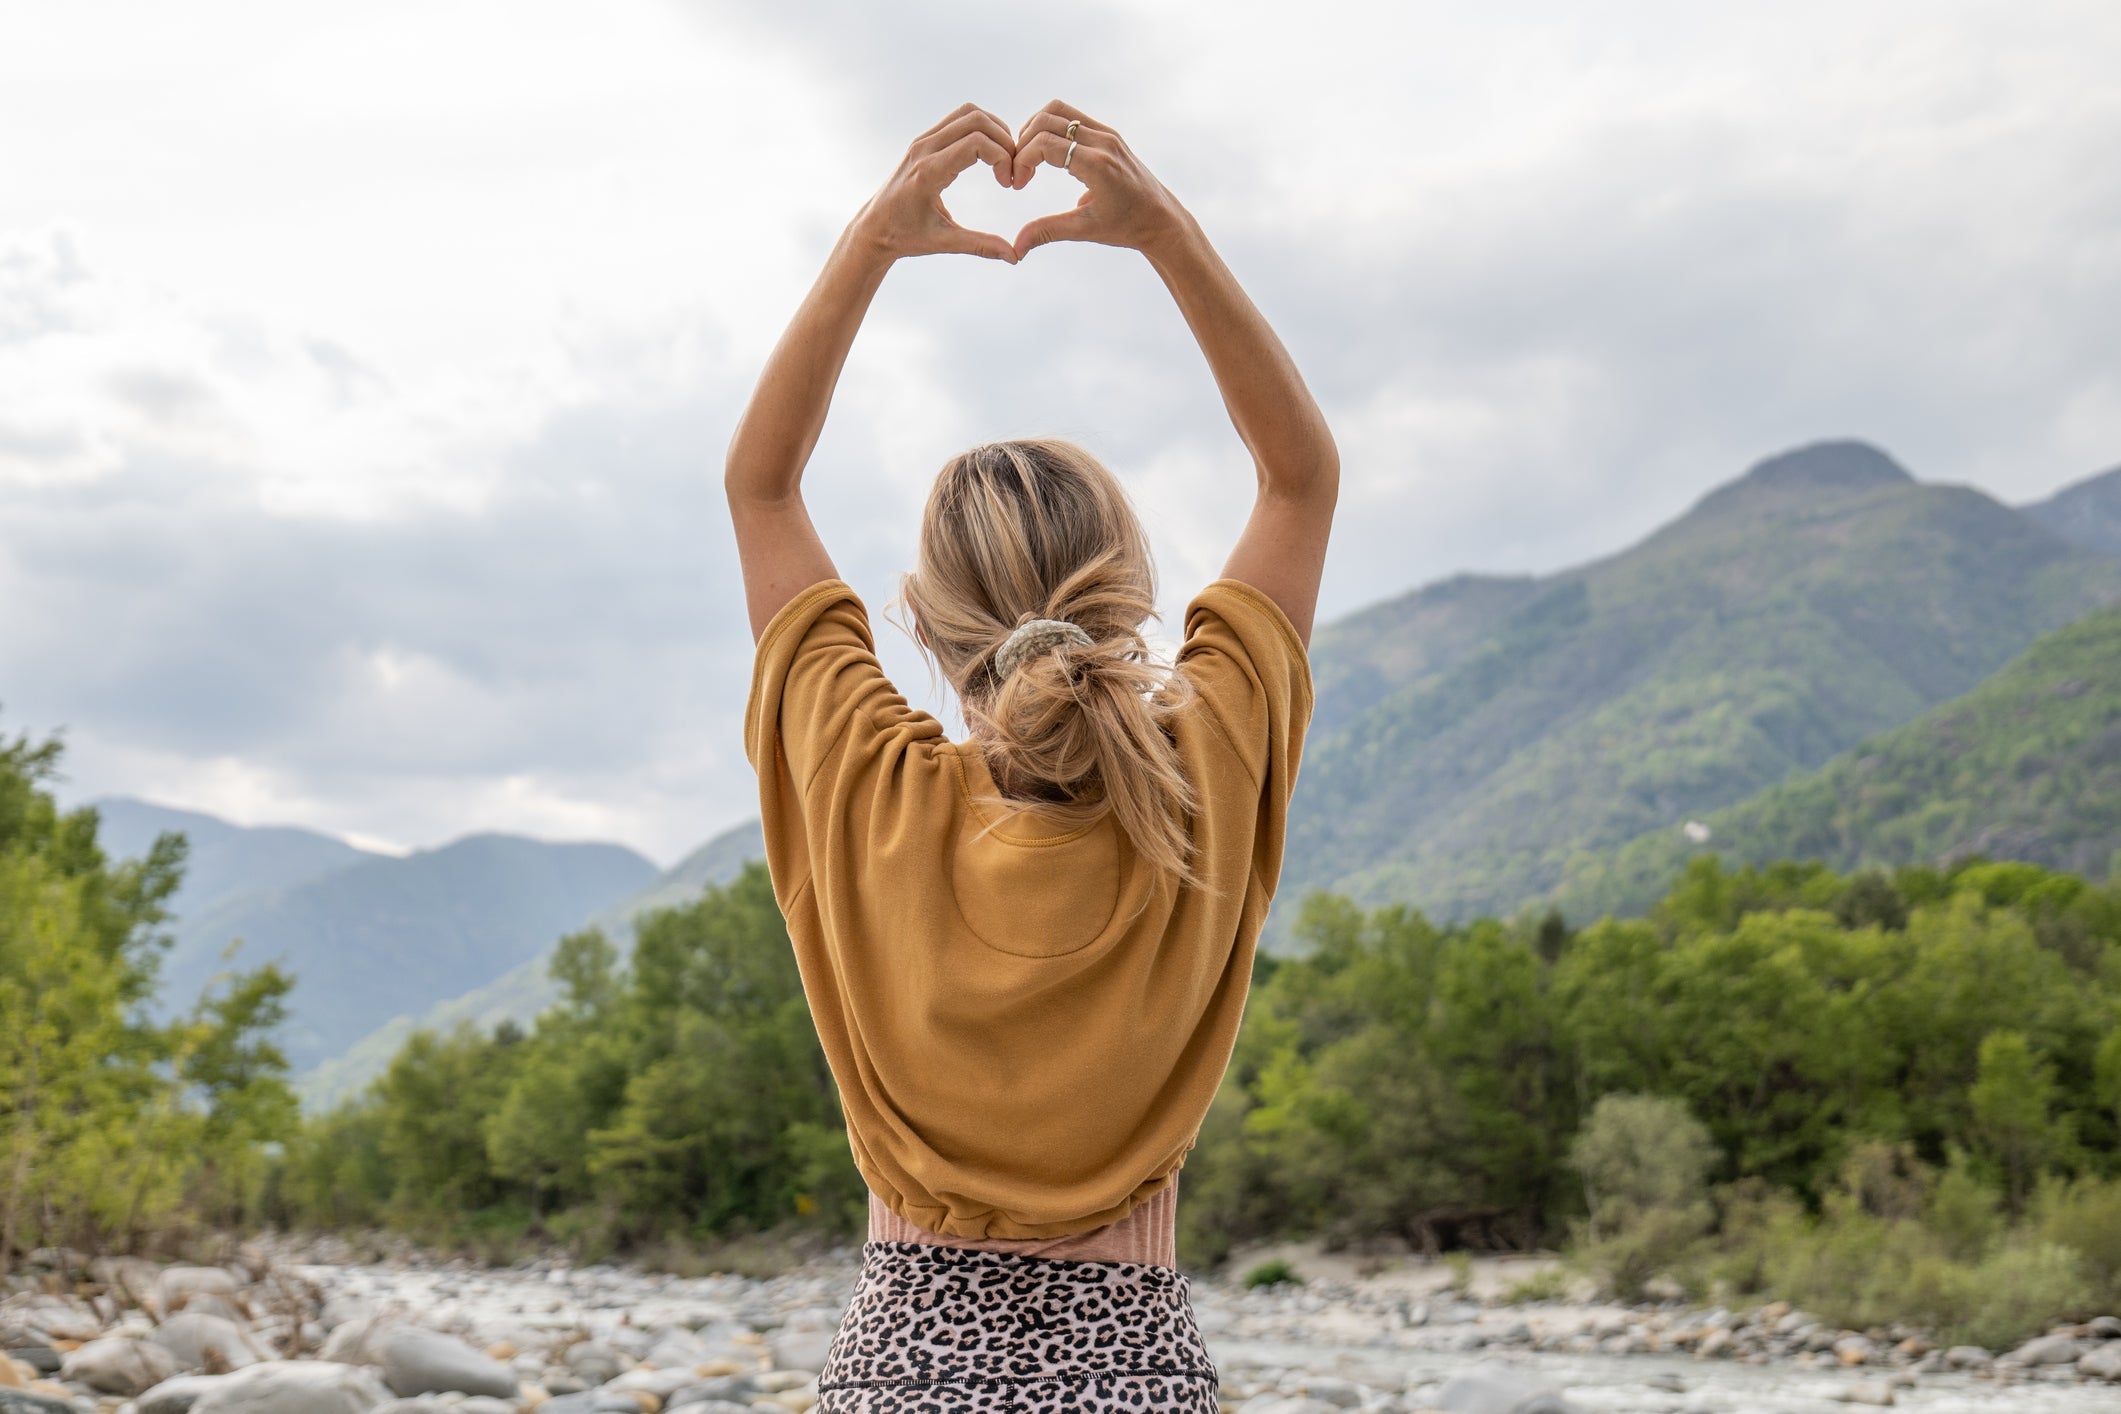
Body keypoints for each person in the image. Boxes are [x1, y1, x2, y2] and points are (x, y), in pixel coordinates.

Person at [728, 99, 1337, 1414]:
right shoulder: (1204, 771)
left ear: (923, 619)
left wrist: (873, 241)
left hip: (896, 1373)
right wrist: (1159, 230)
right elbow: (1297, 480)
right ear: (1128, 600)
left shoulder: (863, 785)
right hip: (1139, 1378)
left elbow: (760, 488)